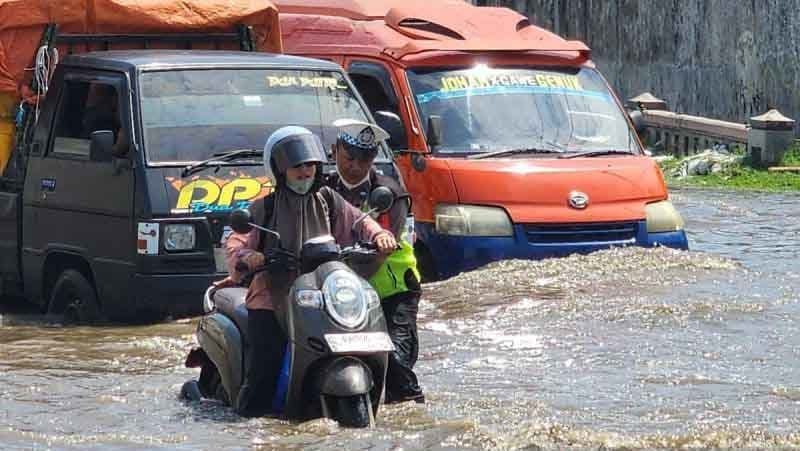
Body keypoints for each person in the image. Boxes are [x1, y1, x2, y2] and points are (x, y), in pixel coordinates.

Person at [224, 126, 397, 417]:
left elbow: (360, 223)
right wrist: (249, 255)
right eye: (297, 167)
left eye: (309, 165)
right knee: (264, 369)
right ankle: (246, 422)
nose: (305, 172)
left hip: (321, 294)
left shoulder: (328, 198)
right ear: (280, 170)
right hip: (272, 296)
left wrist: (379, 235)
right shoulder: (264, 208)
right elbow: (236, 243)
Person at [326, 119, 425, 404]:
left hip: (393, 293)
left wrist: (379, 242)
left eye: (366, 158)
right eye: (350, 157)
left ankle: (412, 410)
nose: (356, 166)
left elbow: (385, 242)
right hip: (340, 291)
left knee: (395, 360)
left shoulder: (390, 192)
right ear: (334, 151)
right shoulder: (322, 190)